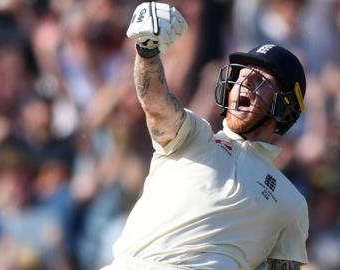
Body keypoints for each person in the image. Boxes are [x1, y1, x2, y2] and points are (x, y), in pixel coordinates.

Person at [101, 2, 309, 270]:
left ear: (285, 106)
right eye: (240, 78)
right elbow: (156, 103)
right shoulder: (196, 135)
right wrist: (147, 51)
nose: (244, 83)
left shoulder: (291, 202)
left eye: (260, 81)